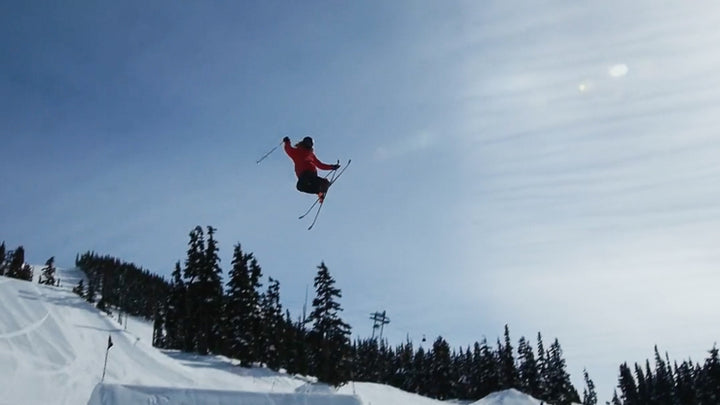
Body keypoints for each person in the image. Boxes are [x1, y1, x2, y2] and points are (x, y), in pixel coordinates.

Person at [283, 136, 340, 202]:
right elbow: (289, 149)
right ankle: (319, 190)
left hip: (308, 173)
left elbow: (319, 165)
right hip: (304, 176)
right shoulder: (298, 152)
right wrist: (287, 142)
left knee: (302, 184)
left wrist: (331, 167)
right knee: (300, 187)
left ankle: (323, 183)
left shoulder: (309, 154)